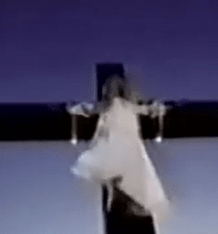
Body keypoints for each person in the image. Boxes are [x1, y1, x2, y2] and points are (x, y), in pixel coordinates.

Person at [68, 74, 169, 220]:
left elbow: (90, 109)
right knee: (129, 174)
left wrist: (75, 108)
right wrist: (155, 108)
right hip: (124, 143)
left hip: (120, 142)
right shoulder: (122, 106)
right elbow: (146, 110)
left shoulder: (116, 105)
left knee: (121, 175)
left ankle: (122, 200)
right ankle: (127, 200)